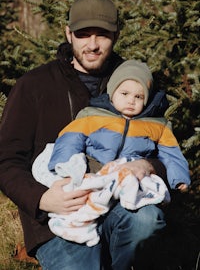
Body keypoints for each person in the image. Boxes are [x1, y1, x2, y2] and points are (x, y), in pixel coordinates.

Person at [0, 0, 185, 270]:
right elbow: (6, 160)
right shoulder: (34, 86)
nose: (93, 44)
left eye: (103, 35)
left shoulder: (135, 84)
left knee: (146, 221)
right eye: (83, 34)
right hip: (58, 218)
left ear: (117, 35)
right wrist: (42, 199)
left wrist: (149, 165)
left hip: (122, 204)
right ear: (68, 34)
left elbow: (164, 146)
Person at [32, 58, 191, 247]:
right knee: (83, 195)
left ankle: (128, 208)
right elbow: (69, 139)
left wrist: (179, 177)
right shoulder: (93, 115)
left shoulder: (157, 125)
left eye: (138, 97)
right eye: (125, 93)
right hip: (95, 168)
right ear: (112, 92)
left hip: (129, 173)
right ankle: (77, 225)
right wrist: (64, 166)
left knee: (141, 196)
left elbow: (171, 153)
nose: (131, 100)